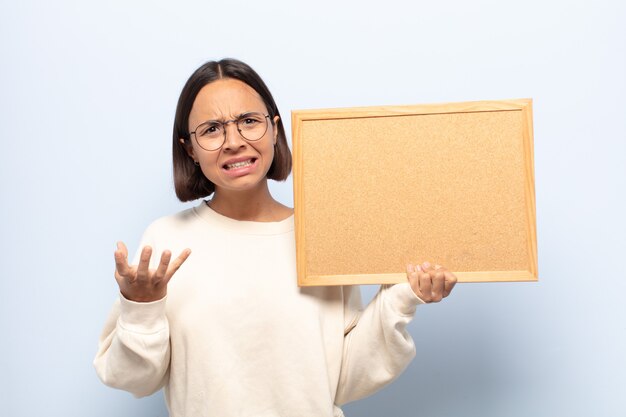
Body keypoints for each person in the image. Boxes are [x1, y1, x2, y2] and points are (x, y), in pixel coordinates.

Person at [94, 58, 457, 417]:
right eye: (211, 129)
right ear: (190, 148)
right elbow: (134, 380)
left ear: (274, 130)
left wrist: (401, 298)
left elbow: (344, 376)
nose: (234, 142)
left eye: (249, 122)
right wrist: (141, 307)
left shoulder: (322, 235)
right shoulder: (166, 240)